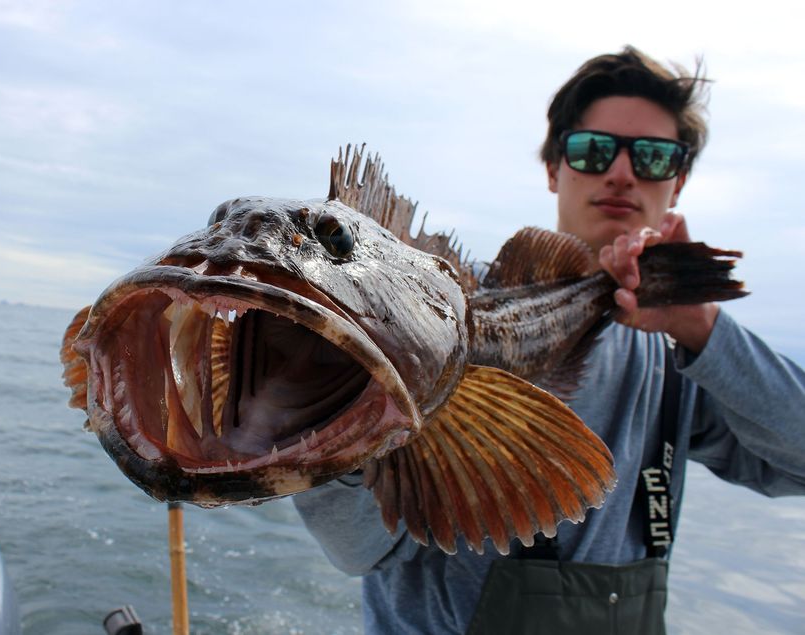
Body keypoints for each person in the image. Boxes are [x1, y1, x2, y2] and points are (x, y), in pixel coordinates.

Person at [293, 46, 805, 634]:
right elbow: (358, 550)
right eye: (592, 150)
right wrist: (340, 415)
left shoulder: (681, 356)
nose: (620, 173)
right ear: (554, 167)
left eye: (654, 157)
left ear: (679, 180)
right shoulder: (438, 317)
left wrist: (702, 329)